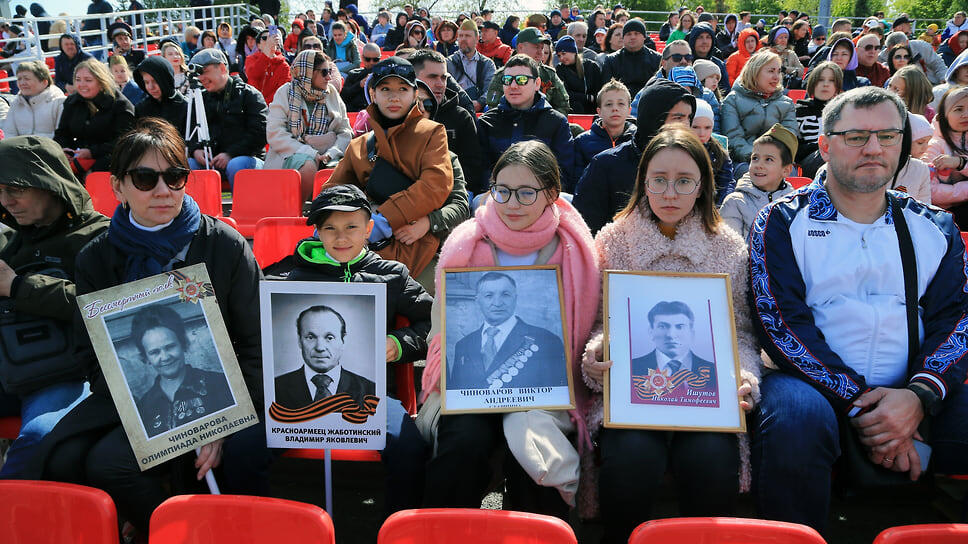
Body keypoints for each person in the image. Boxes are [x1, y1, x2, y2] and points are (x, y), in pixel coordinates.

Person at [33, 119, 269, 538]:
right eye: (145, 177)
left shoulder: (225, 245)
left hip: (229, 398)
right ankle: (162, 528)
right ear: (118, 186)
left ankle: (202, 529)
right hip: (135, 402)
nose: (163, 190)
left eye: (175, 176)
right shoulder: (96, 258)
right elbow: (92, 356)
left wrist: (219, 423)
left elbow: (257, 343)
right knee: (67, 457)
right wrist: (147, 416)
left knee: (235, 451)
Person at [749, 86, 968, 533]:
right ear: (825, 145)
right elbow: (781, 325)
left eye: (888, 136)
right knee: (795, 421)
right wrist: (866, 407)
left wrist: (918, 397)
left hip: (914, 383)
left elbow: (956, 320)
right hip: (808, 382)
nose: (874, 148)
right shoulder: (781, 222)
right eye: (857, 137)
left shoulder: (934, 226)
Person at [581, 127, 760, 544]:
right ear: (643, 181)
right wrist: (597, 354)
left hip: (705, 398)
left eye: (684, 181)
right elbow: (594, 322)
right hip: (631, 394)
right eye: (658, 179)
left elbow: (743, 335)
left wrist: (744, 377)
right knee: (630, 457)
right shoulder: (611, 240)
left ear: (702, 186)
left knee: (712, 461)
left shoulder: (728, 248)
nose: (670, 192)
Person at [422, 140, 600, 518]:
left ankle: (539, 534)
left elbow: (587, 329)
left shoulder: (572, 248)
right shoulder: (466, 243)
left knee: (532, 447)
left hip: (548, 390)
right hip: (469, 391)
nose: (511, 203)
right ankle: (445, 530)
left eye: (525, 192)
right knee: (463, 440)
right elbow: (441, 328)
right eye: (501, 191)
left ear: (552, 193)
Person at [284, 184, 432, 512]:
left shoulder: (391, 275)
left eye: (351, 227)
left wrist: (398, 343)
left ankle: (400, 527)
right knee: (242, 447)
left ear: (368, 228)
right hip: (295, 398)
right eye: (330, 229)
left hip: (372, 396)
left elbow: (437, 321)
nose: (341, 237)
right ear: (317, 232)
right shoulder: (290, 277)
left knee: (409, 447)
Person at [0, 136, 108, 477]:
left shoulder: (99, 237)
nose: (7, 202)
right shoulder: (15, 238)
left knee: (40, 438)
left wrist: (17, 286)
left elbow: (102, 307)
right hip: (9, 364)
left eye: (14, 189)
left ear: (47, 181)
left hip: (64, 370)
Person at [321, 57, 453, 278]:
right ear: (373, 94)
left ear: (414, 94)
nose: (394, 97)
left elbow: (435, 185)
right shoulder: (359, 145)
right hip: (362, 251)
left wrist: (384, 218)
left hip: (414, 245)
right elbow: (333, 191)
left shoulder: (432, 132)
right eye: (385, 89)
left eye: (403, 89)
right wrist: (333, 221)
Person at [574, 80, 696, 234]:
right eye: (678, 118)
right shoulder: (606, 165)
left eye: (688, 118)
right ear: (654, 119)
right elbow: (586, 230)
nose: (686, 125)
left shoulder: (693, 164)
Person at [449, 271, 568, 390]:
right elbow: (457, 395)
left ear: (515, 298)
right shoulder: (463, 345)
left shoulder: (546, 341)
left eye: (505, 295)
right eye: (489, 296)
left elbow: (555, 395)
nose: (497, 303)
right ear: (478, 301)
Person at [130, 304, 233, 439]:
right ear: (145, 358)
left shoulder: (221, 384)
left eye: (170, 346)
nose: (165, 357)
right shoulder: (143, 409)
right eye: (155, 352)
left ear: (183, 344)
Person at [477, 55, 575, 192]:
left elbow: (564, 173)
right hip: (496, 197)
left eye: (521, 80)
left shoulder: (556, 123)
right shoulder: (486, 123)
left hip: (543, 199)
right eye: (507, 80)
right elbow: (480, 171)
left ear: (537, 84)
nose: (513, 86)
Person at [265, 50, 352, 201]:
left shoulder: (331, 93)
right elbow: (275, 133)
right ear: (308, 73)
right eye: (324, 72)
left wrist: (332, 152)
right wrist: (310, 152)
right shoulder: (285, 93)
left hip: (328, 155)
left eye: (330, 71)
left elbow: (345, 131)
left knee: (338, 169)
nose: (329, 77)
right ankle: (296, 211)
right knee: (307, 164)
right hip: (289, 155)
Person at [186, 48, 267, 187]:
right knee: (189, 164)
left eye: (204, 72)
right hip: (211, 161)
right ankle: (198, 208)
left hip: (246, 158)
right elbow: (189, 132)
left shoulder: (249, 95)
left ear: (222, 68)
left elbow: (260, 134)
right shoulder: (200, 99)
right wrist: (196, 151)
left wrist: (230, 154)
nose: (201, 78)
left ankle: (245, 208)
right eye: (198, 74)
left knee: (236, 164)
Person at [274, 304, 376, 408]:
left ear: (343, 341)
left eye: (330, 338)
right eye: (310, 337)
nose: (320, 347)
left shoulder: (371, 391)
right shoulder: (275, 388)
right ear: (299, 341)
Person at [411, 50, 483, 194]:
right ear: (413, 78)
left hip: (451, 193)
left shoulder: (461, 117)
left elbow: (472, 169)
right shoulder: (398, 115)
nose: (440, 84)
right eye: (433, 77)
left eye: (443, 78)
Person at [54, 59, 135, 177]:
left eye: (88, 80)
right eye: (78, 80)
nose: (82, 85)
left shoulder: (120, 105)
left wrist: (92, 152)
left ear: (101, 81)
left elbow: (124, 142)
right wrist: (65, 150)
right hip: (79, 158)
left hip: (111, 160)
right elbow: (62, 133)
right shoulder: (72, 102)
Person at [721, 51, 798, 172]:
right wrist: (757, 158)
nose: (776, 77)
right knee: (749, 171)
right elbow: (733, 138)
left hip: (776, 160)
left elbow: (789, 137)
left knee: (789, 171)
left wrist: (772, 158)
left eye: (778, 71)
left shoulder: (787, 103)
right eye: (771, 71)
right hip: (744, 161)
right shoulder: (733, 100)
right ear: (755, 73)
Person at [719, 123, 796, 236]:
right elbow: (730, 248)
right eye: (755, 158)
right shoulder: (735, 202)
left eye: (768, 159)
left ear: (786, 170)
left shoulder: (794, 203)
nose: (758, 165)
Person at [485, 27, 571, 115]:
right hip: (511, 125)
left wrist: (549, 122)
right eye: (536, 47)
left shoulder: (548, 74)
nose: (540, 52)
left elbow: (563, 105)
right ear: (520, 47)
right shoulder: (503, 75)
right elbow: (494, 108)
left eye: (542, 48)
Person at [924, 86, 968, 228]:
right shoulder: (933, 145)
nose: (966, 114)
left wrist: (960, 163)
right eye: (958, 109)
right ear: (945, 114)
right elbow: (930, 191)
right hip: (944, 216)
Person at [795, 61, 842, 177]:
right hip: (810, 162)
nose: (825, 84)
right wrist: (820, 146)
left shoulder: (842, 112)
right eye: (821, 80)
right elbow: (795, 149)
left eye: (831, 80)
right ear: (813, 83)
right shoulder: (799, 111)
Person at [600, 19, 661, 101]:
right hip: (620, 103)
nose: (633, 37)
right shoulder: (611, 60)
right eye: (629, 34)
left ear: (644, 37)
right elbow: (606, 89)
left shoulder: (657, 59)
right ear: (623, 37)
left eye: (636, 33)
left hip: (649, 102)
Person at [2, 61, 65, 139]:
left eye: (26, 79)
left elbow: (61, 136)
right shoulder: (16, 103)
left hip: (50, 149)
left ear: (44, 82)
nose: (22, 83)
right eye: (19, 79)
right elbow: (9, 133)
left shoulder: (59, 102)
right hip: (20, 149)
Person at [447, 20, 496, 112]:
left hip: (480, 110)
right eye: (461, 36)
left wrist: (480, 103)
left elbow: (491, 89)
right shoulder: (448, 63)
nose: (463, 39)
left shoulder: (487, 64)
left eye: (467, 36)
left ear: (477, 38)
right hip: (455, 108)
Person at [690, 99, 733, 204]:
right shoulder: (678, 150)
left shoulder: (718, 151)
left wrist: (721, 204)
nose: (702, 133)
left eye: (707, 127)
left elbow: (727, 182)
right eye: (695, 127)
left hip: (711, 205)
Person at [133, 56, 188, 134]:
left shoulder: (185, 106)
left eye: (155, 81)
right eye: (146, 82)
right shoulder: (141, 108)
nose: (151, 87)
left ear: (166, 80)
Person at [554, 35, 602, 115]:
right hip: (573, 111)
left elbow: (599, 90)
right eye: (559, 55)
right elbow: (565, 93)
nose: (561, 58)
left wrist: (592, 98)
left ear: (573, 52)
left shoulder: (591, 66)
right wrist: (587, 97)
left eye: (563, 53)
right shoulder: (560, 69)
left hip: (593, 111)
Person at [245, 28, 291, 104]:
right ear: (258, 45)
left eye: (271, 38)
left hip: (274, 107)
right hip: (255, 105)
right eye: (265, 38)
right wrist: (267, 52)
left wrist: (267, 104)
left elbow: (282, 90)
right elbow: (253, 75)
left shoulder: (284, 65)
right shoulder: (251, 59)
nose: (269, 40)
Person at [340, 42, 381, 112]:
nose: (372, 62)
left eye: (375, 60)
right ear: (362, 58)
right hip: (355, 112)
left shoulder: (384, 75)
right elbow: (343, 97)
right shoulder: (353, 74)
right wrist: (360, 84)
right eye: (368, 59)